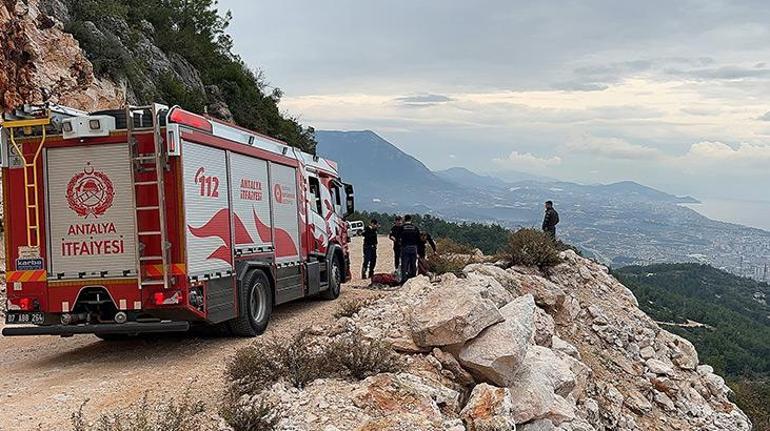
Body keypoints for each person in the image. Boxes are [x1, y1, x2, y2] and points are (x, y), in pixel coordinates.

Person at [399, 215, 421, 282]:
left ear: (405, 219)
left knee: (404, 264)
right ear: (411, 219)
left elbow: (398, 238)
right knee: (413, 264)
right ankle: (413, 279)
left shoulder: (402, 228)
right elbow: (419, 239)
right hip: (414, 248)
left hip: (405, 247)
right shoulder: (415, 228)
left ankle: (404, 280)